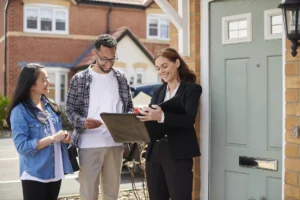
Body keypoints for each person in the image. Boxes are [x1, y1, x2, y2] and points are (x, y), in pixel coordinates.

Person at [66, 34, 133, 200]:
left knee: (112, 194)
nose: (108, 64)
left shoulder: (121, 78)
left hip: (115, 143)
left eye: (112, 59)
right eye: (104, 59)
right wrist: (83, 122)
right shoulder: (79, 79)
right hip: (89, 144)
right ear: (94, 54)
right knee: (88, 194)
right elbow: (70, 110)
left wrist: (124, 125)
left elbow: (129, 107)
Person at [137, 47, 202, 200]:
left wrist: (162, 116)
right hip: (154, 153)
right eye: (158, 68)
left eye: (165, 66)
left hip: (178, 152)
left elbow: (189, 119)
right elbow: (151, 119)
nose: (161, 71)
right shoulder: (158, 91)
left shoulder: (192, 89)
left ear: (177, 63)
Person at [6, 63, 73, 200]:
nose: (48, 82)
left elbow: (56, 133)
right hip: (35, 174)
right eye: (43, 80)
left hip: (55, 171)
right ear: (31, 84)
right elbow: (22, 147)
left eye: (47, 78)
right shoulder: (20, 111)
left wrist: (64, 138)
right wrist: (52, 139)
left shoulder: (50, 106)